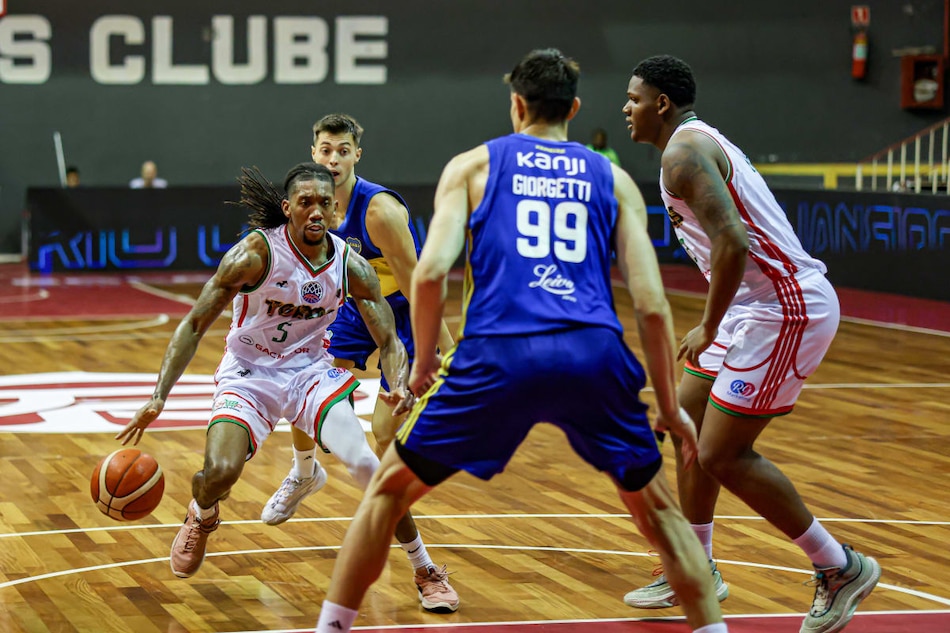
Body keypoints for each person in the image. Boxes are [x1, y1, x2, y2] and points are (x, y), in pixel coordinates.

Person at [313, 48, 728, 633]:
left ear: (516, 105)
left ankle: (332, 625)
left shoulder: (473, 167)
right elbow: (653, 306)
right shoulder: (610, 177)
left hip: (497, 354)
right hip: (592, 353)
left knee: (386, 495)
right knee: (659, 510)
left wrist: (427, 360)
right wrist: (667, 402)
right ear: (575, 109)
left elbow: (429, 275)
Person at [621, 55, 880, 633]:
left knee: (720, 453)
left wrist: (708, 326)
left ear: (661, 103)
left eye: (634, 97)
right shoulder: (688, 145)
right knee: (684, 425)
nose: (626, 107)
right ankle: (697, 564)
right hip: (750, 307)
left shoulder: (683, 153)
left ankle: (840, 567)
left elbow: (733, 242)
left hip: (787, 308)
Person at [115, 161, 410, 581]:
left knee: (367, 464)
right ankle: (201, 514)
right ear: (288, 208)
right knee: (219, 473)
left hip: (308, 370)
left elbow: (390, 341)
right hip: (249, 371)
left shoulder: (351, 265)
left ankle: (425, 568)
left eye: (324, 203)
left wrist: (396, 383)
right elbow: (195, 324)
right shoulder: (255, 254)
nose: (316, 212)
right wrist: (159, 395)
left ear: (335, 212)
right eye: (306, 202)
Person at [259, 113, 460, 613]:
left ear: (356, 156)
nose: (333, 159)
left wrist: (448, 348)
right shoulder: (310, 208)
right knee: (298, 382)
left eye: (342, 150)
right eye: (325, 149)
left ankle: (418, 552)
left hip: (402, 312)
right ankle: (305, 471)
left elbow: (420, 281)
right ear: (314, 150)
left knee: (383, 433)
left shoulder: (380, 212)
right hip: (352, 309)